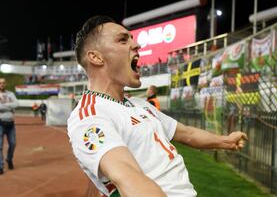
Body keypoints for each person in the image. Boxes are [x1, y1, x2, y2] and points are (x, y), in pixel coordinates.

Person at [67, 15, 248, 197]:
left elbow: (187, 134)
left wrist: (226, 141)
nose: (136, 44)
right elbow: (128, 177)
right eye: (122, 40)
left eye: (132, 38)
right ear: (96, 57)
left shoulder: (139, 105)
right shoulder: (89, 117)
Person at [0, 78, 18, 175]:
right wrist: (10, 106)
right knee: (0, 146)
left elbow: (17, 104)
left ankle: (9, 159)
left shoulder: (10, 94)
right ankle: (1, 165)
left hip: (11, 123)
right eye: (0, 83)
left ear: (5, 83)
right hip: (0, 123)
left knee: (13, 144)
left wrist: (4, 105)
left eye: (3, 83)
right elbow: (12, 105)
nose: (2, 84)